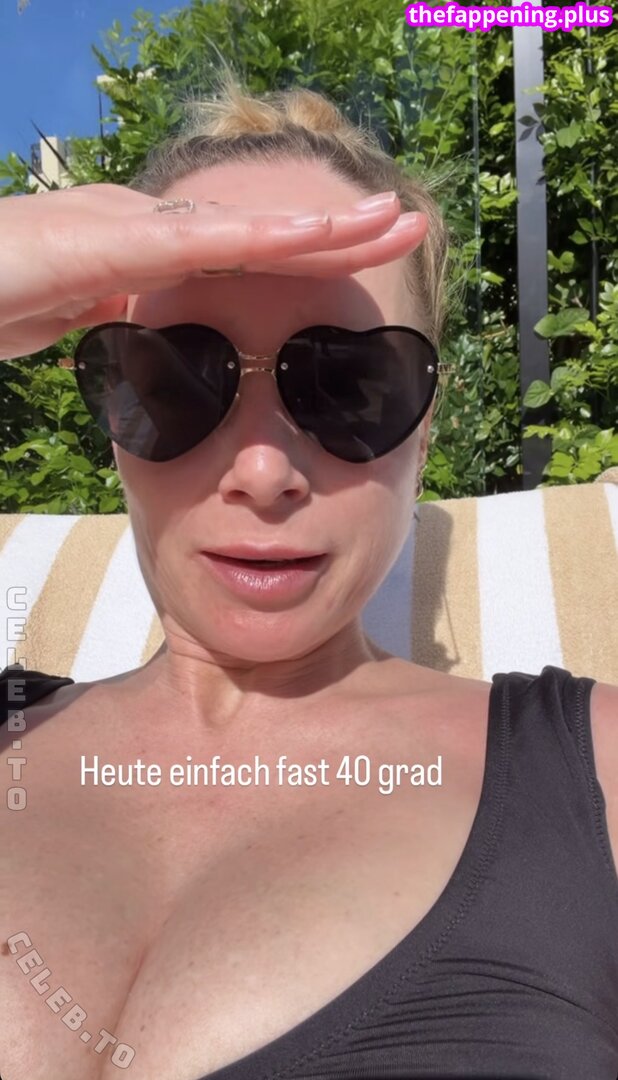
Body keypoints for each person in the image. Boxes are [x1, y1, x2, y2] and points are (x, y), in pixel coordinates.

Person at [1, 65, 617, 1080]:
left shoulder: (590, 771)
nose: (262, 470)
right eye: (175, 377)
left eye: (351, 382)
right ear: (112, 409)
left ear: (424, 426)